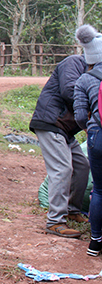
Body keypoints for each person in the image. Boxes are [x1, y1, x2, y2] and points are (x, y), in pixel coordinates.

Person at [29, 51, 89, 238]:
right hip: (51, 123)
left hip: (66, 130)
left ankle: (72, 210)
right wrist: (90, 109)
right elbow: (69, 90)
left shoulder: (92, 70)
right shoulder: (74, 63)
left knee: (82, 166)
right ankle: (55, 221)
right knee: (62, 169)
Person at [74, 25, 102, 255]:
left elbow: (81, 116)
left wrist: (88, 129)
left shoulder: (84, 79)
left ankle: (95, 242)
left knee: (99, 190)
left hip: (96, 136)